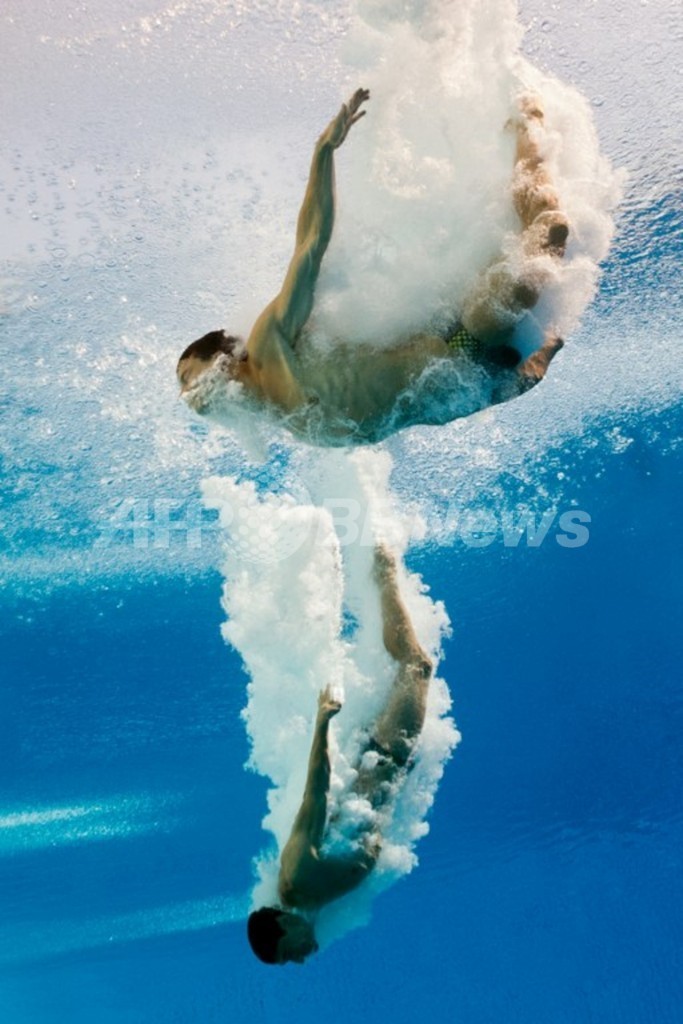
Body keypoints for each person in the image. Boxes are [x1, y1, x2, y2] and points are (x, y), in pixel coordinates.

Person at [178, 89, 567, 443]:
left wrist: (323, 152)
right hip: (466, 387)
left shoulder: (268, 343)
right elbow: (413, 412)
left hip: (455, 343)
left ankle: (527, 124)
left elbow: (310, 247)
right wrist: (522, 372)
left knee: (545, 239)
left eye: (186, 377)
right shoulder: (304, 431)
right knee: (531, 364)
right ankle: (546, 341)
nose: (187, 395)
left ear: (221, 356)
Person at [247, 544, 433, 965]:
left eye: (288, 952)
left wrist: (322, 722)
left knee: (417, 667)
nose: (299, 958)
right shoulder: (308, 907)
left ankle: (383, 572)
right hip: (390, 770)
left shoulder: (296, 878)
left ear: (284, 927)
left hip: (381, 757)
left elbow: (314, 796)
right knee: (414, 669)